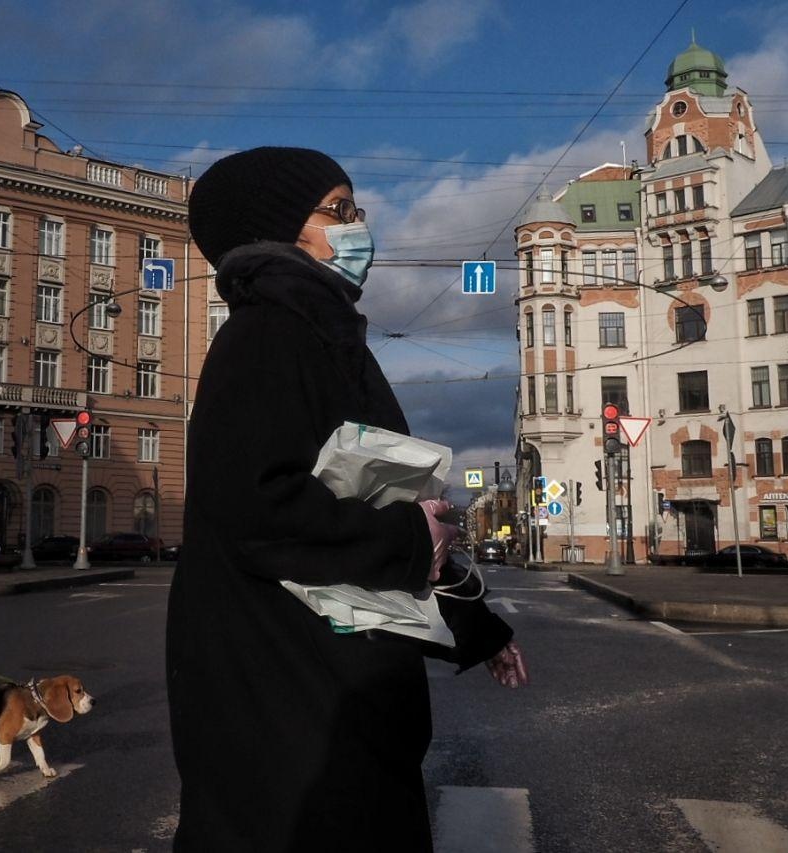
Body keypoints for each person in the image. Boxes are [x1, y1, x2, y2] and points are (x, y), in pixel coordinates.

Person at [166, 147, 528, 852]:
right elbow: (260, 510)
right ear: (279, 227)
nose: (360, 226)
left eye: (354, 209)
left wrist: (477, 622)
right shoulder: (267, 336)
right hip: (286, 697)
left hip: (328, 687)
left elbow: (377, 497)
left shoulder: (320, 333)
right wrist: (411, 539)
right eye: (340, 210)